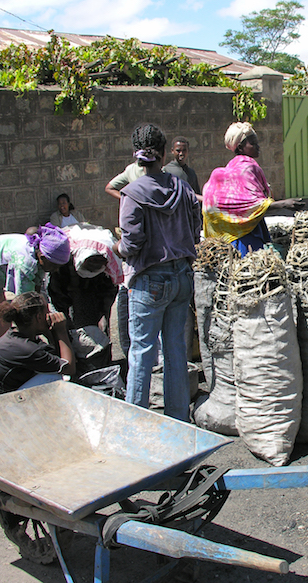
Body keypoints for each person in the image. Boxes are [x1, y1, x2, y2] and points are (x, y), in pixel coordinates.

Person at [114, 123, 201, 421]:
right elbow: (195, 228)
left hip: (149, 281)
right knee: (176, 350)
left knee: (141, 353)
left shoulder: (132, 193)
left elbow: (131, 242)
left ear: (137, 157)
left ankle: (137, 423)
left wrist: (117, 248)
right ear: (164, 154)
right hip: (181, 277)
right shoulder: (182, 187)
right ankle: (179, 420)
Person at [0, 224, 71, 384]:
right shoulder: (25, 262)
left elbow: (37, 295)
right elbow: (25, 305)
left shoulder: (38, 256)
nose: (55, 270)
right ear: (42, 256)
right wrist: (52, 335)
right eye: (53, 265)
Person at [203, 122, 303, 257]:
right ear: (240, 147)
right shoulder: (248, 168)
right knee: (251, 269)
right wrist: (284, 204)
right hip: (247, 236)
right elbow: (251, 204)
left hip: (228, 237)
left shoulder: (231, 167)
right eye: (253, 143)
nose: (258, 146)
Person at [0, 292, 76, 401]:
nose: (50, 315)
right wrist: (61, 332)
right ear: (39, 317)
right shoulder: (26, 349)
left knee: (52, 371)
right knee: (55, 378)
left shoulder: (16, 337)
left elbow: (54, 356)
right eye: (47, 312)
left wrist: (50, 332)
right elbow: (69, 368)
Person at [164, 136, 202, 201]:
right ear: (172, 151)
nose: (181, 153)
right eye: (178, 151)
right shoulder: (166, 170)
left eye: (184, 150)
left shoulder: (191, 172)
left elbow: (196, 194)